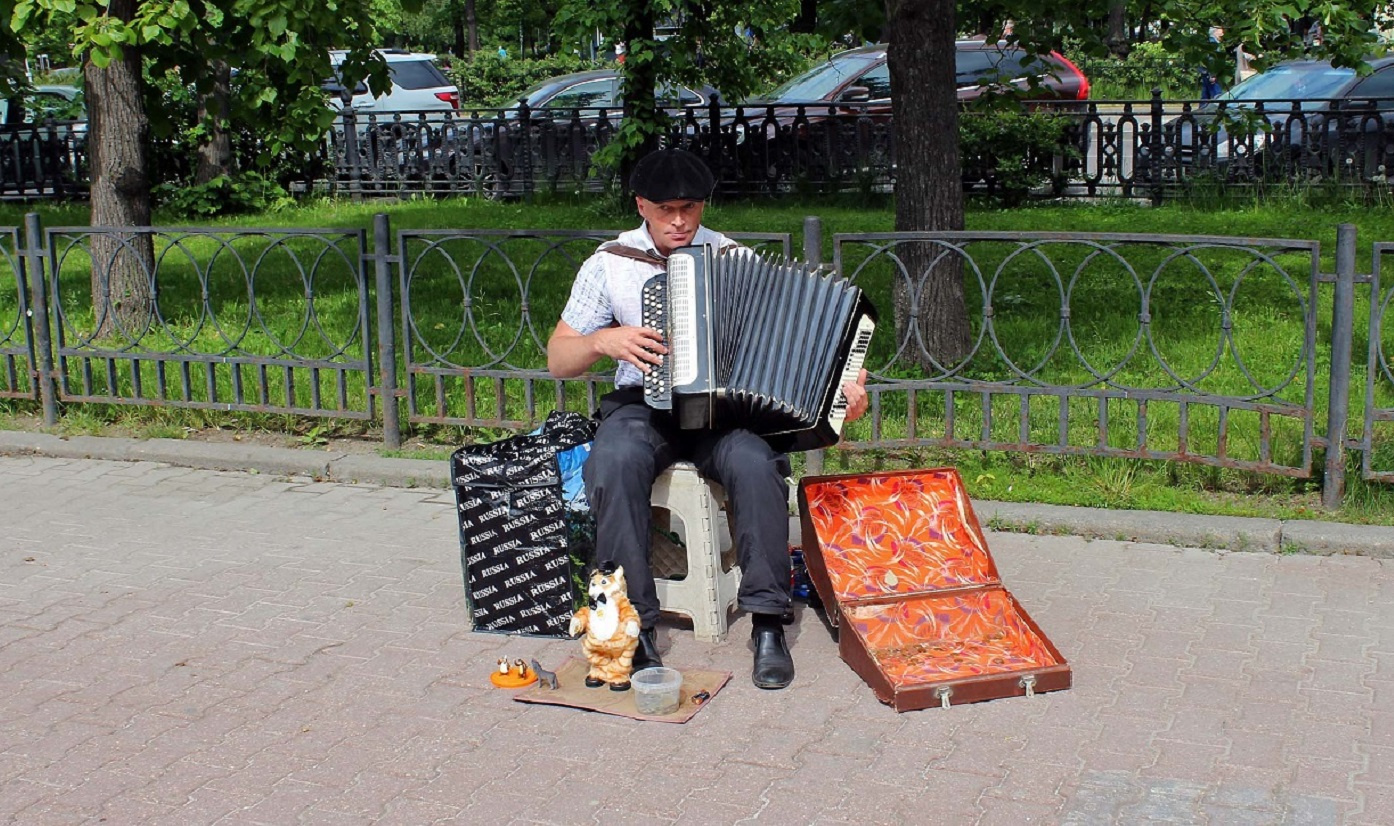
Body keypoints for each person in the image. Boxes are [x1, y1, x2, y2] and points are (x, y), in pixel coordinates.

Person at [546, 148, 870, 690]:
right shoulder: (609, 263)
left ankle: (767, 621)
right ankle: (632, 627)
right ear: (641, 205)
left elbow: (799, 343)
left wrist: (848, 389)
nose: (679, 221)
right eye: (665, 209)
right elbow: (558, 358)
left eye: (690, 208)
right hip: (642, 407)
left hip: (722, 412)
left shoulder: (733, 258)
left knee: (756, 463)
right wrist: (604, 341)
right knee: (614, 460)